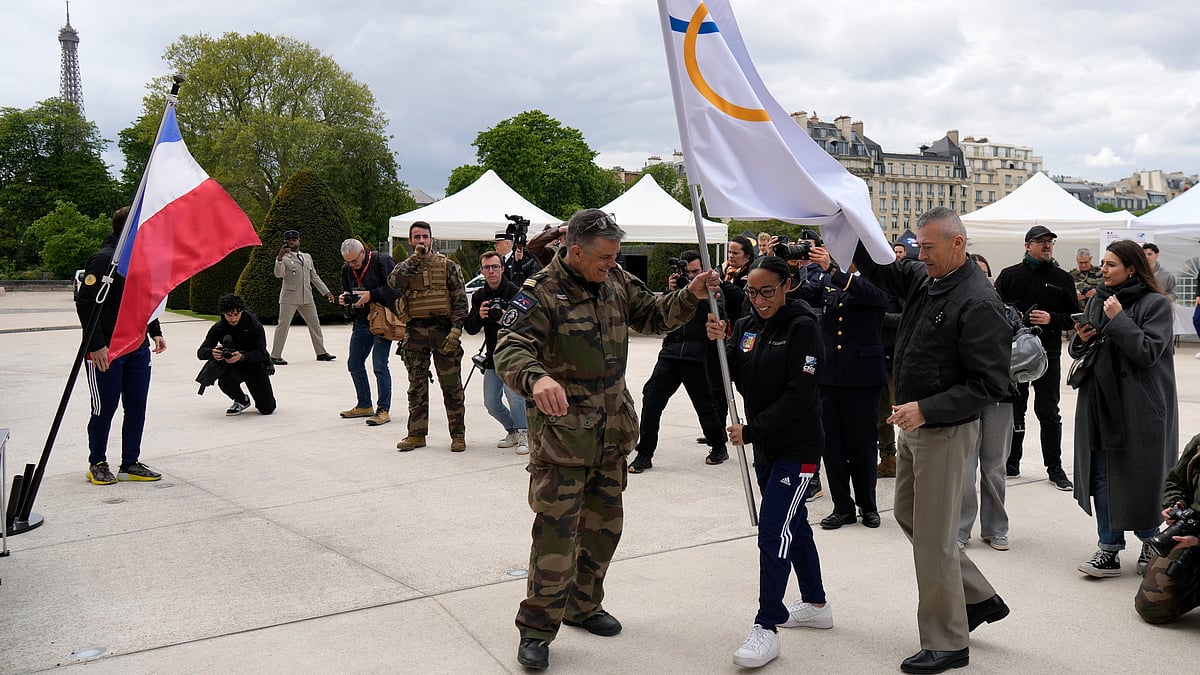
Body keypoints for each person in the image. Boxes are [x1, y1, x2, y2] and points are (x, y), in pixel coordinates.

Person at [494, 209, 717, 671]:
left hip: (612, 434)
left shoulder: (614, 280)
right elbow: (510, 346)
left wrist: (689, 295)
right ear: (574, 251)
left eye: (615, 255)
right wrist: (535, 379)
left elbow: (653, 313)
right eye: (605, 256)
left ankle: (583, 606)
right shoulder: (541, 293)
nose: (613, 262)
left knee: (603, 532)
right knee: (556, 540)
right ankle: (536, 629)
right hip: (562, 442)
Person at [854, 207, 1011, 674]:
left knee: (934, 540)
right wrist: (845, 227)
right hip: (915, 426)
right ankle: (978, 598)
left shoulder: (978, 301)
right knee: (908, 514)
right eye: (918, 248)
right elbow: (884, 268)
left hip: (941, 430)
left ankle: (947, 641)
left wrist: (926, 408)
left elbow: (990, 385)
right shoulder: (928, 278)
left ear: (957, 244)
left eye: (929, 248)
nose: (921, 256)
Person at [705, 255, 833, 668]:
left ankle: (767, 624)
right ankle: (815, 603)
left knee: (773, 529)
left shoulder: (804, 327)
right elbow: (729, 382)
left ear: (788, 285)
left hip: (798, 448)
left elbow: (801, 394)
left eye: (767, 291)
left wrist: (754, 430)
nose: (759, 299)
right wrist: (717, 348)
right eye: (752, 291)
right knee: (793, 527)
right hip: (766, 450)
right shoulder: (745, 328)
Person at [1069, 239, 1178, 578]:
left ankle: (1149, 539)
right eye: (1103, 263)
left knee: (1143, 474)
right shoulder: (1098, 300)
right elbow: (1082, 352)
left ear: (1132, 268)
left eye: (1111, 264)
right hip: (1101, 399)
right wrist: (1082, 339)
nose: (1103, 269)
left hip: (1141, 406)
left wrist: (1118, 320)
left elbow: (1147, 352)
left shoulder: (1155, 304)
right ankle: (1109, 548)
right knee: (1101, 473)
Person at [791, 242, 887, 531]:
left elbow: (877, 298)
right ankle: (842, 506)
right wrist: (793, 267)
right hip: (830, 376)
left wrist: (833, 270)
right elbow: (802, 294)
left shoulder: (874, 280)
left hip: (863, 377)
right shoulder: (827, 282)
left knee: (863, 445)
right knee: (831, 445)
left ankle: (868, 505)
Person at [76, 206, 166, 485]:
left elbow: (145, 300)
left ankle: (130, 462)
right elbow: (86, 303)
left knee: (137, 405)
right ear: (129, 230)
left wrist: (155, 331)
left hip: (137, 348)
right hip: (107, 351)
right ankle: (98, 461)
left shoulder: (140, 261)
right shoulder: (104, 261)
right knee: (105, 407)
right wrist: (97, 345)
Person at [993, 225, 1080, 489]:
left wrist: (1052, 318)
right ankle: (1011, 461)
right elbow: (992, 310)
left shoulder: (1062, 278)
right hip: (1015, 353)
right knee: (1014, 409)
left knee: (1048, 410)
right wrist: (1013, 318)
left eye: (1050, 242)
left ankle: (1054, 468)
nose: (1047, 246)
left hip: (1047, 354)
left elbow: (1075, 318)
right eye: (1041, 241)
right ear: (1027, 245)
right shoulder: (1009, 276)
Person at [628, 250, 729, 473]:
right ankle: (644, 453)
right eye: (687, 272)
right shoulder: (674, 290)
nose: (691, 277)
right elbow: (657, 317)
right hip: (671, 353)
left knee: (705, 406)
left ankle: (719, 446)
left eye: (695, 272)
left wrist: (695, 295)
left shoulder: (713, 292)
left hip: (697, 356)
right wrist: (675, 293)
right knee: (652, 399)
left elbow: (719, 317)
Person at [389, 221, 469, 453]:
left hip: (443, 332)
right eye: (417, 237)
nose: (421, 241)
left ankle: (458, 435)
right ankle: (416, 434)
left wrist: (456, 330)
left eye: (425, 237)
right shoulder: (405, 267)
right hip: (415, 333)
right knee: (416, 387)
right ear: (410, 240)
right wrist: (414, 260)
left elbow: (460, 301)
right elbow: (393, 283)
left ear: (432, 239)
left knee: (452, 387)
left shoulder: (448, 266)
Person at [463, 250, 527, 454]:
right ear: (481, 271)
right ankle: (512, 430)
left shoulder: (515, 292)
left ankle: (524, 431)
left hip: (513, 352)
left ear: (502, 268)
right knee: (490, 402)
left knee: (514, 395)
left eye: (495, 267)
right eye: (487, 268)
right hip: (492, 354)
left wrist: (508, 318)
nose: (491, 271)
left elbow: (528, 324)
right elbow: (471, 328)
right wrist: (481, 316)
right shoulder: (480, 295)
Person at [1134, 433, 1200, 624]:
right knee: (1151, 607)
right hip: (1190, 532)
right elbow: (1175, 481)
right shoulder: (1198, 444)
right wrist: (1176, 503)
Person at [338, 238, 398, 427]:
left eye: (354, 261)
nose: (352, 265)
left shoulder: (383, 261)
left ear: (363, 252)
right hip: (362, 321)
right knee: (354, 363)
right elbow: (348, 290)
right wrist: (345, 298)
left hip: (382, 321)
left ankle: (383, 409)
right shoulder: (347, 269)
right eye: (348, 262)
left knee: (379, 364)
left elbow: (396, 289)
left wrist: (371, 295)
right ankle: (364, 405)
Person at [196, 293, 276, 415]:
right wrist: (213, 353)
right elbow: (201, 352)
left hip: (254, 365)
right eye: (229, 315)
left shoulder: (255, 326)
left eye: (236, 314)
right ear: (223, 313)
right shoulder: (219, 328)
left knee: (267, 409)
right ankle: (241, 399)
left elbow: (261, 353)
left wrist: (242, 356)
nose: (233, 319)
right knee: (224, 381)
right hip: (233, 367)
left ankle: (259, 398)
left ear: (241, 311)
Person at [270, 229, 336, 365]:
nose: (291, 242)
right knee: (283, 325)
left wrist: (326, 292)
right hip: (289, 297)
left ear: (299, 241)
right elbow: (279, 274)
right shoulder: (284, 258)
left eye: (294, 240)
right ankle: (275, 355)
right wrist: (280, 258)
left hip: (306, 296)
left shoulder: (307, 257)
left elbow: (314, 276)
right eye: (289, 240)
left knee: (315, 324)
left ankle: (321, 352)